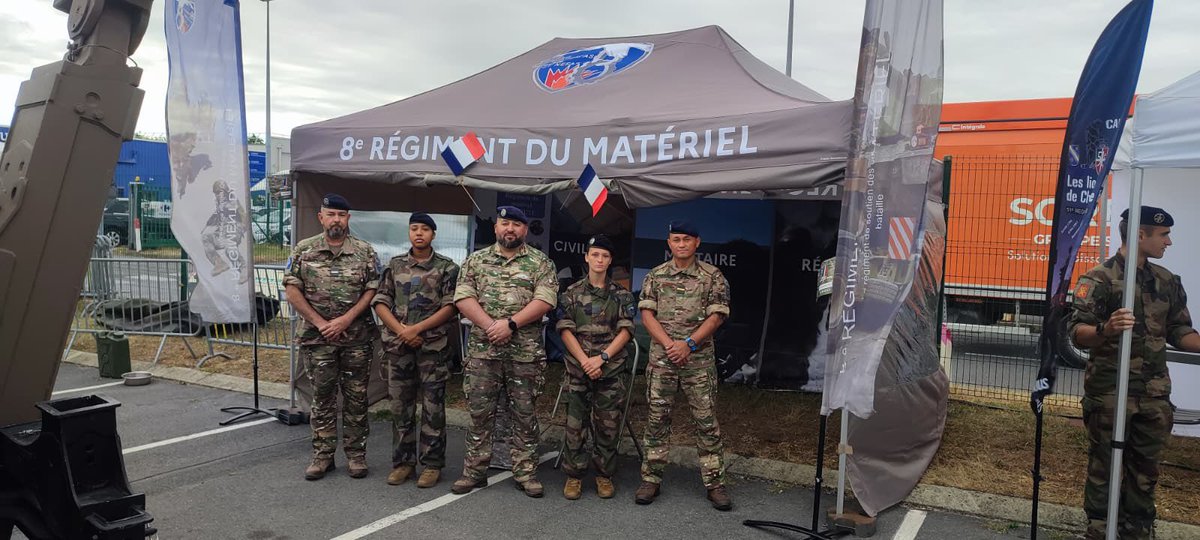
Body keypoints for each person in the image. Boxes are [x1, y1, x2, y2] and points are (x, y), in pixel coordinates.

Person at [1069, 206, 1200, 539]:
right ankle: (1100, 529)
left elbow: (1180, 331)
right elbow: (1076, 333)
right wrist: (1106, 328)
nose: (1168, 242)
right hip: (1110, 392)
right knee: (1105, 467)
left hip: (1153, 395)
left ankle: (1138, 531)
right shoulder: (1098, 279)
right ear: (1140, 235)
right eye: (1163, 234)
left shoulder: (1166, 281)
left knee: (1145, 470)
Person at [451, 206, 557, 497]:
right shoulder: (476, 261)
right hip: (483, 352)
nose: (510, 229)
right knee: (479, 414)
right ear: (496, 227)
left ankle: (525, 473)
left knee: (524, 414)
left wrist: (510, 324)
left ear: (525, 230)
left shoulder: (540, 262)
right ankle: (474, 472)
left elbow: (545, 299)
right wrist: (490, 326)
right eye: (505, 223)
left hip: (525, 354)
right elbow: (462, 297)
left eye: (516, 225)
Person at [635, 220, 732, 511]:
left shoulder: (712, 276)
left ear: (697, 243)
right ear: (669, 242)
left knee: (706, 422)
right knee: (656, 420)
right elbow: (647, 315)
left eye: (686, 239)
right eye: (676, 239)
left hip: (697, 362)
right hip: (663, 360)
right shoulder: (656, 275)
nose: (681, 244)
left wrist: (687, 344)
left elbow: (717, 316)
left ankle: (715, 484)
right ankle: (651, 478)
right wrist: (669, 345)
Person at [283, 193, 380, 481]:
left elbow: (372, 289)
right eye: (331, 214)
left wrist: (345, 319)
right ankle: (323, 456)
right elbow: (292, 289)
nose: (336, 220)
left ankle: (356, 456)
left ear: (348, 218)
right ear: (321, 217)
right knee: (322, 397)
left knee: (356, 398)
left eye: (341, 215)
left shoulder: (365, 252)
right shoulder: (304, 250)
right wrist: (321, 322)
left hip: (356, 337)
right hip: (318, 338)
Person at [372, 213, 460, 489]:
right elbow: (380, 301)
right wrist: (402, 331)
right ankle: (404, 463)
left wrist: (417, 330)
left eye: (424, 229)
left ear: (433, 234)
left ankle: (432, 464)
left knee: (433, 409)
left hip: (432, 348)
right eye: (414, 228)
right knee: (401, 408)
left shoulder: (447, 268)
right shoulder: (395, 265)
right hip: (399, 348)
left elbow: (451, 306)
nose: (419, 233)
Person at [556, 234, 635, 500]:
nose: (599, 260)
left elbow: (626, 331)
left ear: (610, 260)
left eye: (605, 256)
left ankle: (604, 475)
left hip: (610, 369)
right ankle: (574, 475)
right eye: (595, 254)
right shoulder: (571, 293)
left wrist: (601, 358)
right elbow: (566, 331)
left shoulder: (621, 294)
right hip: (579, 369)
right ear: (587, 257)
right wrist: (585, 361)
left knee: (607, 426)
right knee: (575, 425)